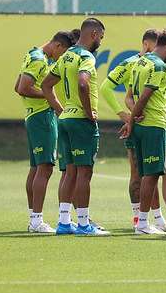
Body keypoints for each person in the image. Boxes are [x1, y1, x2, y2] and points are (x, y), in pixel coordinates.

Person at [41, 17, 109, 236]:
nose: (100, 41)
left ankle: (63, 222)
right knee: (84, 172)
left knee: (69, 171)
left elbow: (46, 85)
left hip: (66, 120)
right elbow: (82, 83)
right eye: (101, 37)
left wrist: (61, 110)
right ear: (94, 34)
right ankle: (83, 224)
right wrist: (89, 113)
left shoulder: (66, 55)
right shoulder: (85, 56)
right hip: (81, 121)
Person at [122, 29, 166, 234]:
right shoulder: (158, 66)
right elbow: (144, 97)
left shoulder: (140, 62)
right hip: (153, 126)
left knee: (148, 173)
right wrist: (132, 119)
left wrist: (133, 118)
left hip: (141, 125)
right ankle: (142, 224)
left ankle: (154, 221)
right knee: (151, 175)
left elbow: (128, 98)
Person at [16, 30, 74, 233]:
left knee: (36, 168)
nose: (61, 57)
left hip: (33, 116)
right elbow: (23, 88)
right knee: (46, 168)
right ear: (58, 46)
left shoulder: (31, 54)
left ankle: (34, 217)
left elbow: (17, 86)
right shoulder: (40, 60)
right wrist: (49, 96)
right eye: (63, 52)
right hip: (41, 118)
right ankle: (37, 221)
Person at [100, 29, 158, 225]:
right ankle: (137, 218)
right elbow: (106, 88)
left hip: (157, 124)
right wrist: (123, 114)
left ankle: (157, 219)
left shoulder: (159, 64)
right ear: (146, 44)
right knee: (137, 174)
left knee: (155, 170)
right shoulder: (131, 63)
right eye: (154, 45)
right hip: (138, 126)